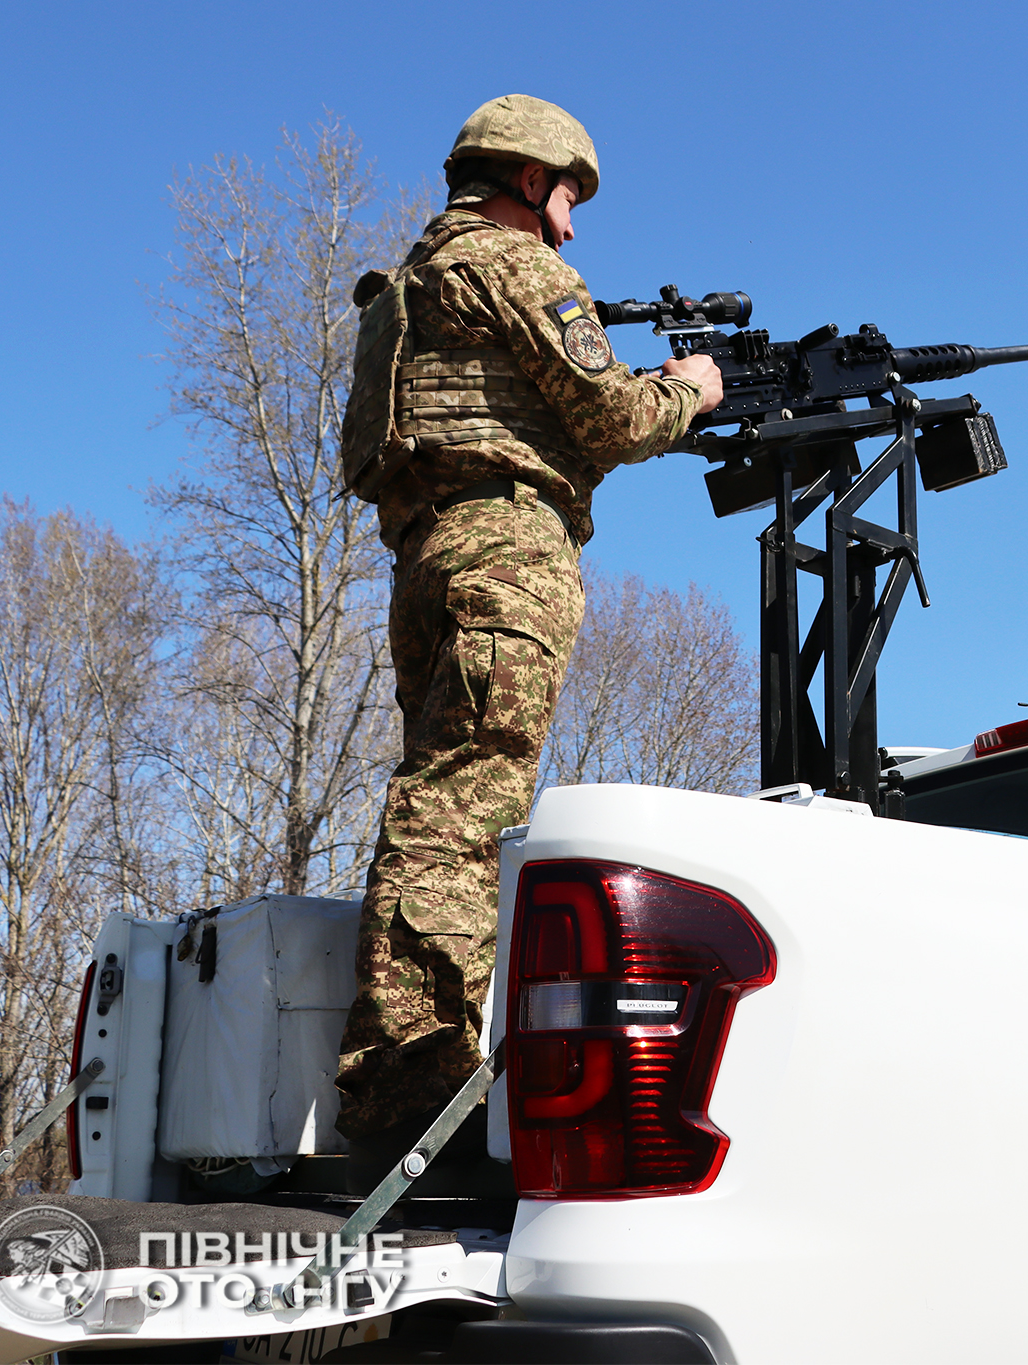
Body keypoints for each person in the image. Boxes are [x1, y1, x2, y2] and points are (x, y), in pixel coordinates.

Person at [333, 93, 722, 1170]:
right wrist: (690, 388)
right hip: (505, 553)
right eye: (565, 198)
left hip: (429, 555)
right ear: (525, 180)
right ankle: (414, 1084)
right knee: (464, 803)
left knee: (438, 789)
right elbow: (618, 417)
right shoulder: (515, 267)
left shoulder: (408, 289)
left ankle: (399, 1067)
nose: (571, 227)